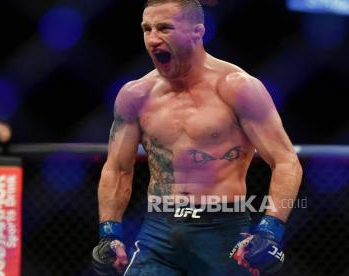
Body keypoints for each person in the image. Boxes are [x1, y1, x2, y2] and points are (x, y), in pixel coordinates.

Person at [92, 0, 303, 275]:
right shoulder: (136, 95)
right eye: (147, 29)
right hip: (159, 231)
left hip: (223, 232)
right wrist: (110, 232)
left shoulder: (237, 88)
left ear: (197, 31)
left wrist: (270, 229)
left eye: (164, 28)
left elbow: (286, 161)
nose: (153, 39)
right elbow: (118, 169)